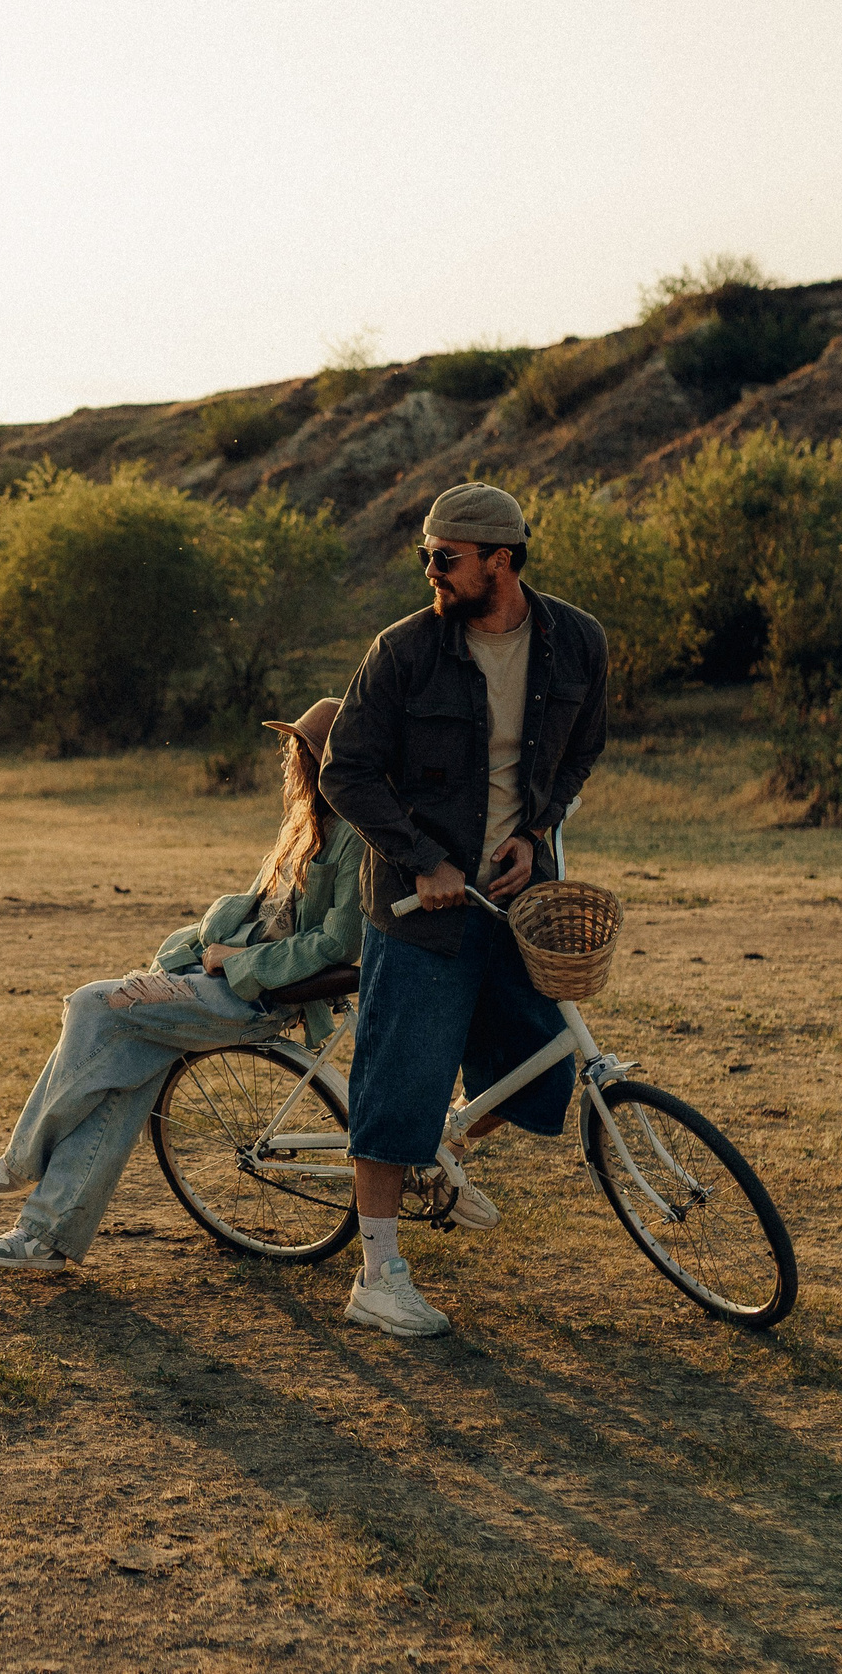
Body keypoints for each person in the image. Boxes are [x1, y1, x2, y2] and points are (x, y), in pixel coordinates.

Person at [319, 482, 609, 1336]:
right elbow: (344, 770)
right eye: (426, 555)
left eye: (445, 558)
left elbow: (583, 746)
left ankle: (437, 1149)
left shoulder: (577, 641)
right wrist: (425, 858)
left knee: (540, 1063)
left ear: (500, 560)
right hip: (422, 905)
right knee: (396, 1084)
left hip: (519, 899)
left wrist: (536, 829)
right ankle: (377, 1275)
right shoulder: (404, 650)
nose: (430, 571)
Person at [0, 700, 366, 1269]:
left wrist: (239, 960)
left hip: (257, 995)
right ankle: (45, 1239)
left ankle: (24, 1157)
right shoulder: (304, 823)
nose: (287, 759)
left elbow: (338, 942)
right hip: (214, 974)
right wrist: (209, 946)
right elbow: (260, 908)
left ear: (322, 759)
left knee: (93, 1004)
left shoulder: (356, 837)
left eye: (297, 748)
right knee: (125, 1073)